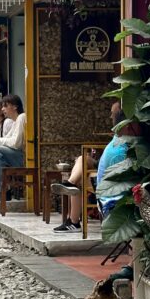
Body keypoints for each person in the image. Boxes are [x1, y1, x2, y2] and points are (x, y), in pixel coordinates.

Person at [52, 100, 122, 233]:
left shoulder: (125, 133)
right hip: (103, 163)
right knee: (81, 160)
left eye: (113, 113)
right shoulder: (117, 133)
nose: (110, 117)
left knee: (81, 168)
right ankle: (71, 185)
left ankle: (73, 220)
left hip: (110, 167)